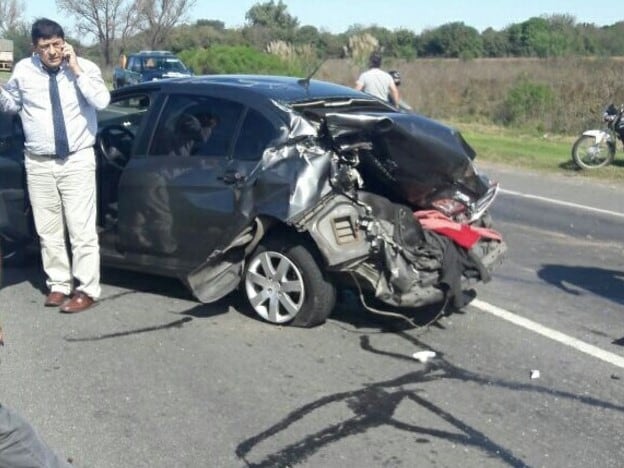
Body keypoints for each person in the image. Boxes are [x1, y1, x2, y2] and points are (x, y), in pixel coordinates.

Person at [0, 18, 111, 313]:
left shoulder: (85, 68)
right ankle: (59, 285)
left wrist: (75, 70)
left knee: (81, 230)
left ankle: (87, 288)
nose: (52, 51)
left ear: (65, 41)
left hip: (76, 159)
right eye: (45, 46)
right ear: (34, 48)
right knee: (48, 230)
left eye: (56, 43)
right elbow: (11, 104)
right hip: (38, 162)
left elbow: (101, 101)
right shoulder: (23, 70)